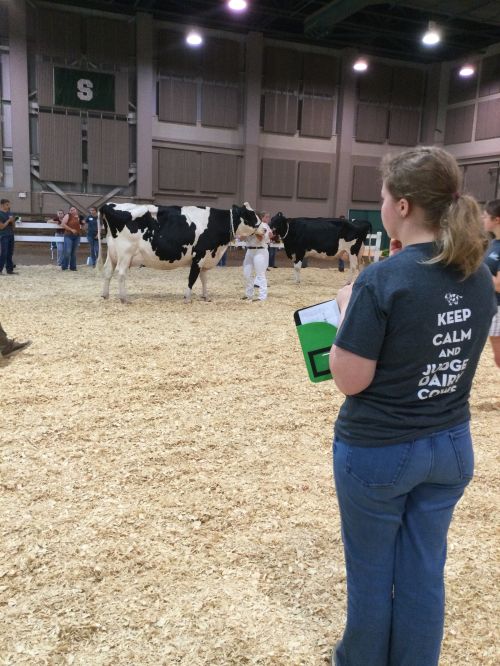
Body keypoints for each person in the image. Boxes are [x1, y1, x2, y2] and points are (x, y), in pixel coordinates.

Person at [328, 146, 495, 666]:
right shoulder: (478, 275)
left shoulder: (384, 278)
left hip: (380, 448)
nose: (379, 204)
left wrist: (345, 308)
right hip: (450, 445)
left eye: (381, 196)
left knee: (372, 574)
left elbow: (351, 380)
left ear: (401, 206)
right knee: (424, 569)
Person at [482, 199, 500, 367]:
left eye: (486, 216)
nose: (483, 219)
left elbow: (499, 285)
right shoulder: (493, 244)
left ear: (497, 220)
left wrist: (477, 268)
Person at [241, 211, 271, 301]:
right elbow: (241, 238)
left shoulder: (263, 225)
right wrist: (246, 231)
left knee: (260, 274)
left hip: (260, 250)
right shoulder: (248, 226)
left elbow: (260, 238)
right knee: (247, 273)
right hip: (249, 251)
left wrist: (253, 231)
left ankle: (262, 297)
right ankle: (249, 294)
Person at [60, 206, 83, 271]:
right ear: (69, 211)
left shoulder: (79, 217)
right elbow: (63, 224)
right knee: (67, 251)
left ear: (76, 210)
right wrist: (71, 230)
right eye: (71, 210)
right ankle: (64, 266)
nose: (72, 211)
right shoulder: (68, 215)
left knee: (74, 252)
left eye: (74, 209)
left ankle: (73, 267)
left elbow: (82, 224)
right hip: (68, 235)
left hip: (77, 235)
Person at [0, 198, 18, 275]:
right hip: (3, 235)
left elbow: (14, 227)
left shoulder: (10, 213)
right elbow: (1, 227)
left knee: (10, 253)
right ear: (2, 205)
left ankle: (9, 269)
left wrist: (13, 221)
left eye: (9, 204)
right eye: (7, 204)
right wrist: (8, 221)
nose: (9, 206)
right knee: (4, 252)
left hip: (11, 234)